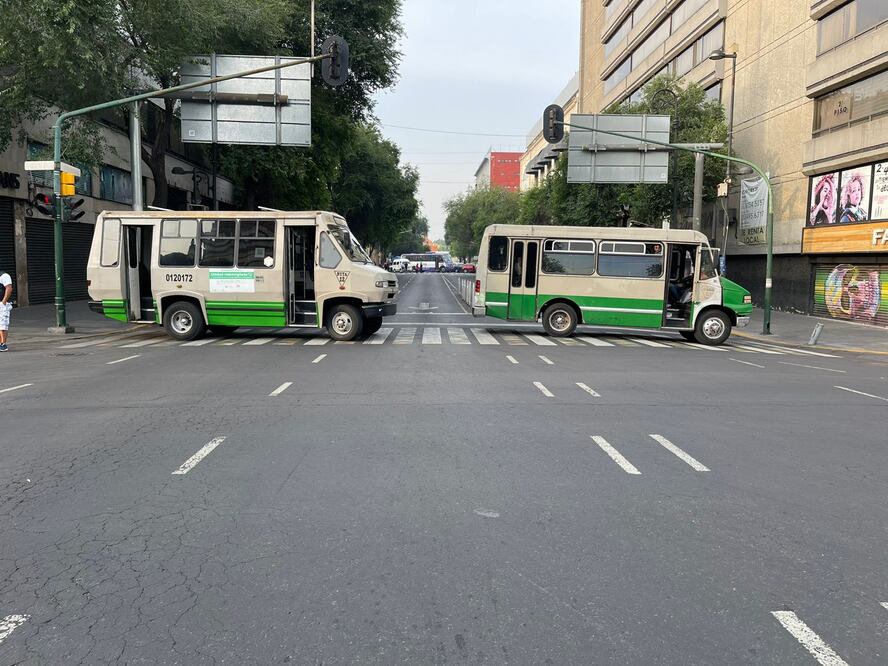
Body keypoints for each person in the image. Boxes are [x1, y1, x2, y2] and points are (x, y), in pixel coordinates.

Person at [0, 270, 12, 352]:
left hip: (2, 304)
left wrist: (3, 302)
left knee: (2, 324)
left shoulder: (4, 276)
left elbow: (9, 288)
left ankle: (3, 344)